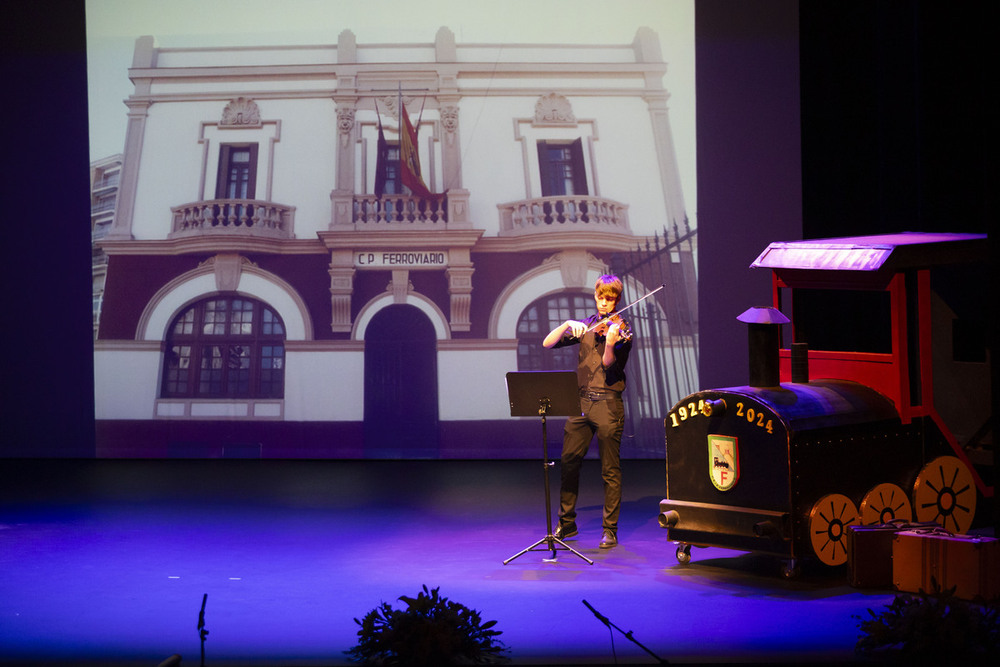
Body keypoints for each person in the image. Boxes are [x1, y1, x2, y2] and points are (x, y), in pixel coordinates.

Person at [542, 274, 633, 549]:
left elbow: (608, 365)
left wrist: (609, 343)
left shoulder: (621, 330)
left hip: (607, 403)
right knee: (569, 461)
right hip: (580, 404)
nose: (604, 303)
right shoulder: (587, 324)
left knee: (609, 469)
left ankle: (609, 530)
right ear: (595, 296)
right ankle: (567, 523)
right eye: (600, 298)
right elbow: (548, 343)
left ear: (617, 300)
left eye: (610, 299)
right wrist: (567, 324)